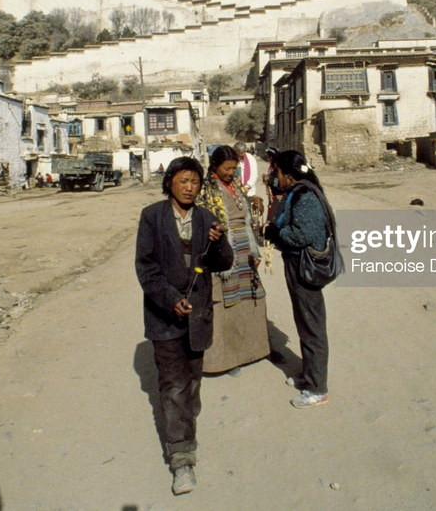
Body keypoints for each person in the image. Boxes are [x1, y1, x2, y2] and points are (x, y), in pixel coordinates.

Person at [135, 157, 233, 495]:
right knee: (174, 386)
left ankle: (184, 422)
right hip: (164, 318)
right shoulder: (152, 217)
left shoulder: (207, 218)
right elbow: (146, 268)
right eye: (183, 181)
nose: (190, 187)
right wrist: (169, 298)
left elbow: (224, 262)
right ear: (170, 184)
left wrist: (219, 240)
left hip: (198, 316)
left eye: (195, 181)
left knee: (192, 382)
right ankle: (182, 459)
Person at [264, 150, 332, 409]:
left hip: (306, 269)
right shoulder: (298, 191)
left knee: (312, 327)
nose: (275, 177)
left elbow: (302, 235)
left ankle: (318, 389)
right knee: (304, 323)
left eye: (277, 173)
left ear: (288, 174)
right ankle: (310, 374)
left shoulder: (306, 197)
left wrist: (276, 233)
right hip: (297, 265)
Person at [196, 145, 269, 376]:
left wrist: (254, 251)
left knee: (249, 300)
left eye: (234, 169)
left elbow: (245, 218)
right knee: (225, 305)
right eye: (227, 169)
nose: (231, 173)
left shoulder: (236, 186)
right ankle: (225, 359)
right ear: (215, 166)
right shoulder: (207, 190)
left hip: (244, 248)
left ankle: (253, 351)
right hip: (223, 252)